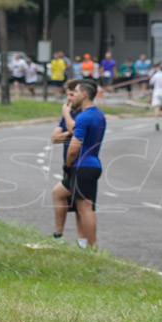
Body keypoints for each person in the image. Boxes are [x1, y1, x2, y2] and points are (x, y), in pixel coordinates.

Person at [64, 80, 106, 249]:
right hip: (94, 162)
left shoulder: (83, 117)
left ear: (85, 94)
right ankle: (85, 244)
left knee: (85, 208)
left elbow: (74, 148)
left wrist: (68, 164)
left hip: (82, 165)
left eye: (77, 92)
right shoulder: (99, 115)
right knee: (63, 194)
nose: (74, 95)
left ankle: (91, 246)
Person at [50, 79, 80, 239]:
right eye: (67, 94)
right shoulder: (69, 114)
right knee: (67, 198)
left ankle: (81, 240)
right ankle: (59, 234)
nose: (68, 99)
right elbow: (54, 138)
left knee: (80, 203)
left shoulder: (81, 113)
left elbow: (76, 130)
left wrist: (67, 117)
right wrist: (69, 134)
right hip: (68, 165)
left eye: (71, 94)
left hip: (79, 164)